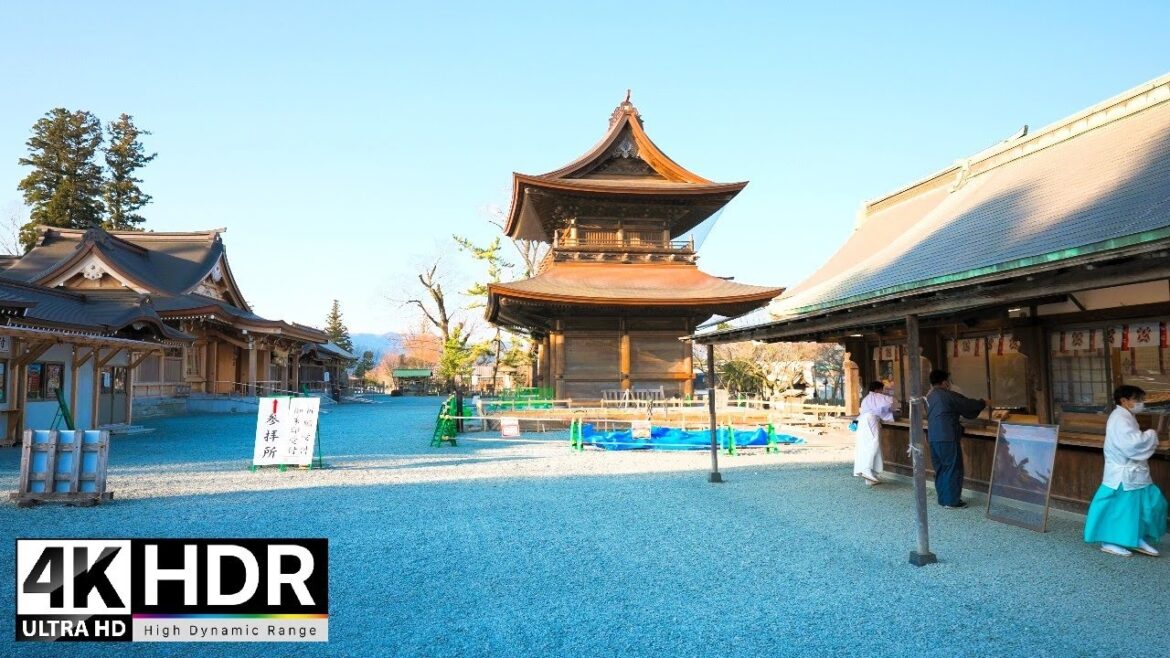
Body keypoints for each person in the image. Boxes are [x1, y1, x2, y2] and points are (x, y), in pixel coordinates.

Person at [1084, 385, 1168, 557]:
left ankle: (1135, 538)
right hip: (1122, 474)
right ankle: (1110, 541)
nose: (1141, 403)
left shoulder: (1127, 416)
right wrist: (1152, 434)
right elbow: (1131, 444)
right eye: (1137, 400)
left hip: (1133, 471)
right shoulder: (1120, 418)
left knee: (1144, 505)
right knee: (1120, 510)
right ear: (1124, 401)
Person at [925, 369, 987, 508]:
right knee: (952, 468)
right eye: (948, 380)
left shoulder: (929, 397)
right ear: (944, 382)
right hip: (947, 436)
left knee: (940, 469)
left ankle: (943, 499)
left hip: (933, 437)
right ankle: (952, 501)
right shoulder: (947, 395)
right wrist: (983, 403)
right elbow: (967, 405)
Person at [855, 381, 895, 486]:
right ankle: (867, 469)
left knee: (864, 445)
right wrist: (893, 413)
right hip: (871, 420)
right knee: (874, 443)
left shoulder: (865, 399)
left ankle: (870, 477)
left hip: (862, 421)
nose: (882, 392)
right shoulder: (879, 396)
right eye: (882, 389)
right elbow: (892, 404)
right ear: (878, 389)